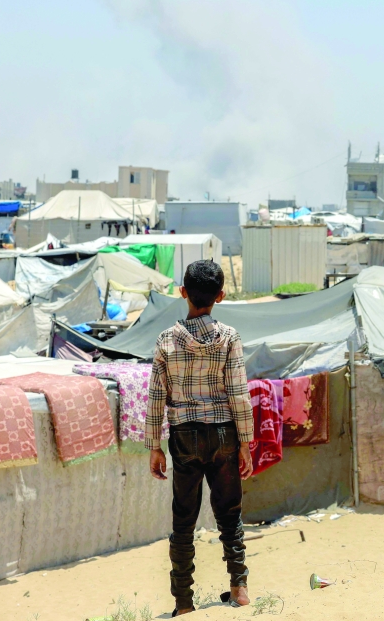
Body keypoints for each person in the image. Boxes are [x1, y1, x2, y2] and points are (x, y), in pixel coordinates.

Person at [147, 260, 254, 616]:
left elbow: (155, 398)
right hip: (224, 432)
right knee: (230, 512)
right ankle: (239, 587)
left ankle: (183, 603)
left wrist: (154, 447)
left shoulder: (165, 340)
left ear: (183, 293)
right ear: (220, 296)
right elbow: (239, 394)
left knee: (183, 520)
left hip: (184, 436)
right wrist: (246, 444)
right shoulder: (229, 337)